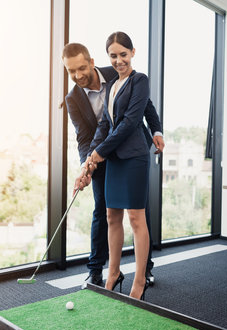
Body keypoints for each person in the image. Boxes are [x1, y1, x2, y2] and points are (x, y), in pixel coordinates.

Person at [62, 43, 164, 287]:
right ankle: (97, 270)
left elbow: (144, 105)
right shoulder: (72, 99)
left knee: (138, 212)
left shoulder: (115, 72)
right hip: (100, 153)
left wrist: (156, 129)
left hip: (129, 150)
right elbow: (84, 137)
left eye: (81, 68)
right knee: (103, 211)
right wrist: (86, 166)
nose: (78, 76)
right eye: (71, 71)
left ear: (92, 62)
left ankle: (145, 269)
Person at [86, 31, 157, 300]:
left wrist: (101, 152)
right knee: (111, 216)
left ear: (132, 53)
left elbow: (130, 122)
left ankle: (139, 281)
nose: (118, 60)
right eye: (113, 56)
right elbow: (105, 124)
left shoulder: (140, 81)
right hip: (115, 159)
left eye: (123, 54)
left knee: (136, 218)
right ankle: (113, 273)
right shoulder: (113, 86)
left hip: (134, 157)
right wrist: (93, 155)